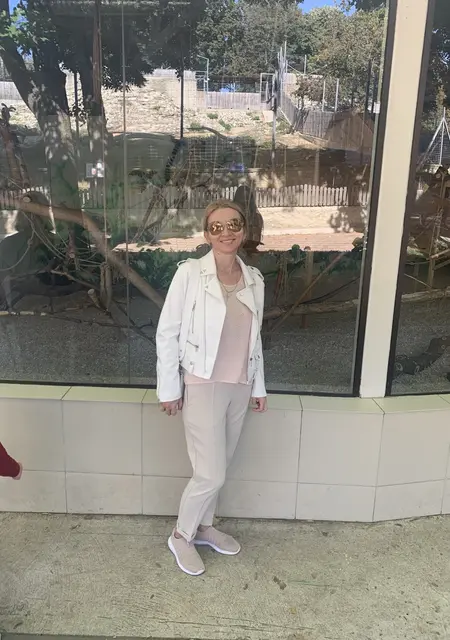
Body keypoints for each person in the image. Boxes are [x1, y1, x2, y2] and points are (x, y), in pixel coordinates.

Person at [156, 199, 267, 576]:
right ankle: (181, 535)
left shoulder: (254, 279)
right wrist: (169, 389)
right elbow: (167, 332)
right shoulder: (190, 274)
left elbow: (255, 338)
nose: (226, 233)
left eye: (233, 225)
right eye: (217, 227)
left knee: (222, 464)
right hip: (202, 384)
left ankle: (205, 528)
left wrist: (259, 387)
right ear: (206, 234)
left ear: (244, 230)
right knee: (210, 473)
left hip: (240, 384)